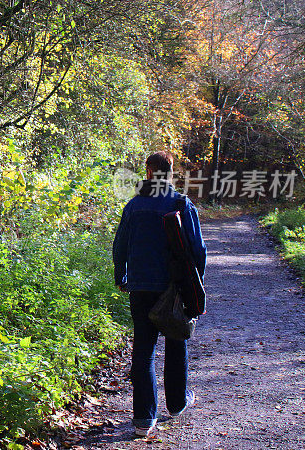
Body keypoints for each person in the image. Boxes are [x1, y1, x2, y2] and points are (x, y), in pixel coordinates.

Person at [112, 151, 207, 437]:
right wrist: (196, 283)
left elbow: (120, 246)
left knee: (143, 349)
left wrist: (121, 276)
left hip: (140, 286)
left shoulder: (134, 205)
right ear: (171, 171)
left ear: (148, 171)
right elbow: (198, 250)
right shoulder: (181, 203)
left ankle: (143, 419)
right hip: (174, 288)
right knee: (177, 342)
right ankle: (177, 405)